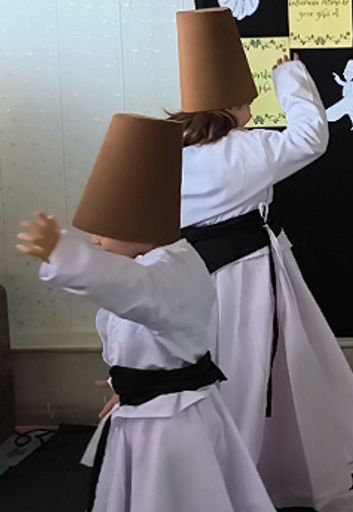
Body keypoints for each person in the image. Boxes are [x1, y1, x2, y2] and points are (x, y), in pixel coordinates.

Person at [172, 7, 353, 509]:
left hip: (184, 280)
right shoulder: (247, 151)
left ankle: (205, 478)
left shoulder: (169, 155)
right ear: (231, 105)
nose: (252, 104)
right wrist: (290, 76)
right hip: (246, 277)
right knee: (254, 372)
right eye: (247, 97)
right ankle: (251, 476)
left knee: (212, 371)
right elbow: (311, 136)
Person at [16, 114, 273, 512]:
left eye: (105, 230)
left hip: (170, 425)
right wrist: (125, 383)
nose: (95, 240)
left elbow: (132, 290)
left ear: (144, 225)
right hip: (145, 412)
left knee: (171, 496)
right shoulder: (151, 264)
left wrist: (65, 256)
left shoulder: (171, 271)